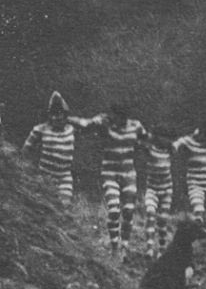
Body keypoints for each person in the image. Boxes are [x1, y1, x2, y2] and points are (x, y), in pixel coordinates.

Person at [77, 104, 147, 257]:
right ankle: (114, 246)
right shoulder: (105, 122)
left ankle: (125, 246)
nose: (118, 120)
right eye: (116, 116)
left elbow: (145, 139)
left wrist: (146, 147)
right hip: (110, 172)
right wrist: (68, 118)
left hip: (128, 173)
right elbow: (84, 123)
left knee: (128, 210)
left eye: (121, 117)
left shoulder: (136, 126)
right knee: (114, 209)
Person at [172, 120, 206, 249]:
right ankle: (192, 246)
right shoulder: (189, 141)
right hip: (196, 184)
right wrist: (173, 148)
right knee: (198, 213)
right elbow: (176, 144)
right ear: (200, 133)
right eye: (205, 137)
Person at [22, 91, 76, 204]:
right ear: (50, 116)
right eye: (54, 115)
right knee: (43, 205)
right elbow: (26, 150)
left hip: (64, 177)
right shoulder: (41, 129)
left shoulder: (71, 128)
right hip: (45, 175)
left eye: (61, 115)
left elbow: (88, 123)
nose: (58, 118)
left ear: (65, 115)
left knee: (64, 205)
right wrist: (28, 170)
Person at [141, 125, 174, 258]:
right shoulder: (149, 149)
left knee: (162, 220)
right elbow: (139, 140)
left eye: (166, 138)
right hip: (152, 189)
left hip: (166, 190)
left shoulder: (170, 150)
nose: (164, 140)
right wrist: (149, 136)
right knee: (150, 213)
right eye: (161, 137)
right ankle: (149, 247)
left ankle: (162, 249)